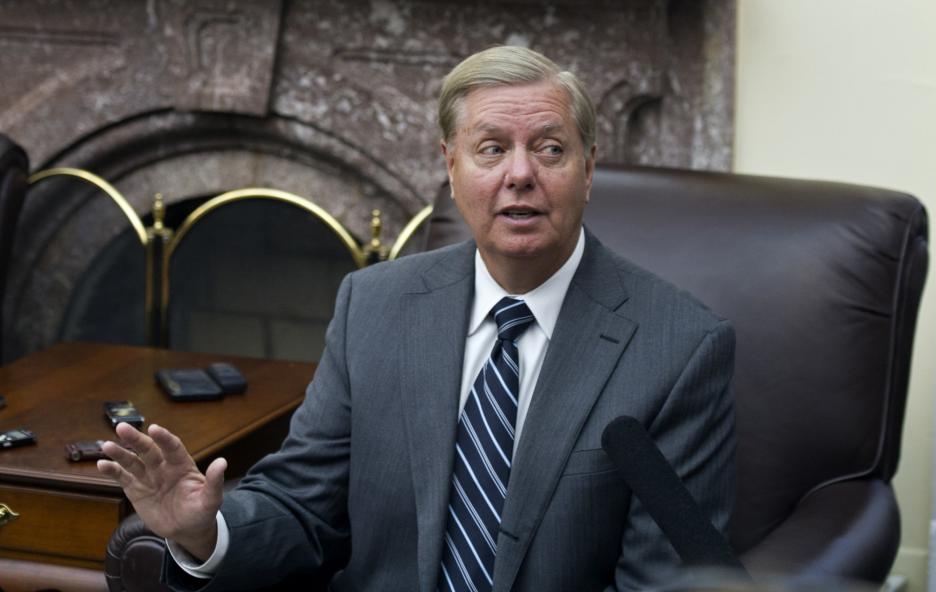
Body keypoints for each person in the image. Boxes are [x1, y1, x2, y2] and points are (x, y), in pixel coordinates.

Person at [98, 46, 736, 591]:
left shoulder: (678, 349)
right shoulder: (372, 306)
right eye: (491, 149)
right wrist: (205, 530)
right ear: (451, 168)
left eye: (549, 149)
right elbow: (302, 504)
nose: (520, 174)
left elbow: (665, 580)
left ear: (588, 170)